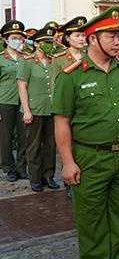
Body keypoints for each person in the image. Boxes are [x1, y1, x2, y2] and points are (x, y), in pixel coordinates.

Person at [51, 6, 119, 259]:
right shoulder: (71, 76)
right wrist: (68, 162)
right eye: (111, 36)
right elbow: (61, 122)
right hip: (90, 159)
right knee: (92, 224)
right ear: (93, 39)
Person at [17, 25, 60, 192]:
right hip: (34, 109)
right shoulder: (27, 61)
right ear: (36, 43)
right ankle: (35, 177)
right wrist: (26, 110)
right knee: (34, 145)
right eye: (44, 42)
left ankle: (48, 175)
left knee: (50, 144)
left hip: (50, 108)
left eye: (50, 42)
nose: (48, 45)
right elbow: (22, 86)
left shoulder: (52, 60)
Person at [0, 20, 29, 182]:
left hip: (24, 101)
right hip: (5, 101)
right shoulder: (1, 58)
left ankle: (21, 167)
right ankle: (8, 167)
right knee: (5, 137)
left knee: (24, 136)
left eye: (19, 38)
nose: (17, 41)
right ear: (6, 39)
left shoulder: (26, 57)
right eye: (14, 38)